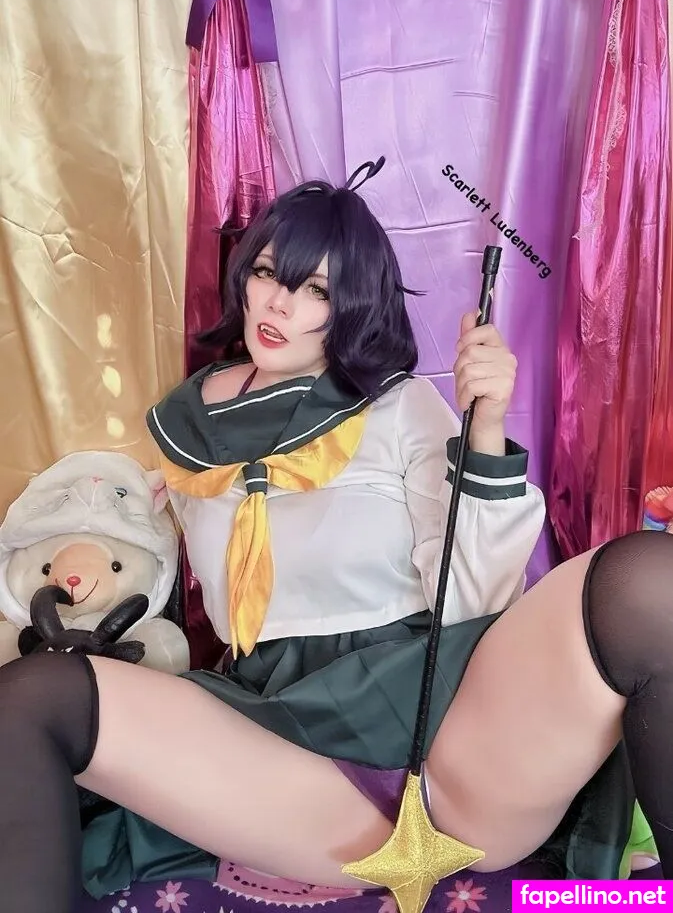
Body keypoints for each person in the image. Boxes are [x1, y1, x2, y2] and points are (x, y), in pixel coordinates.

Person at [1, 166, 672, 913]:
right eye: (267, 273)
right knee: (33, 695)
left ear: (351, 305)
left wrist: (483, 430)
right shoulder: (183, 428)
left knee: (650, 583)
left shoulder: (399, 408)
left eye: (316, 290)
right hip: (272, 734)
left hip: (439, 717)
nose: (279, 304)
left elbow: (474, 599)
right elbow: (137, 558)